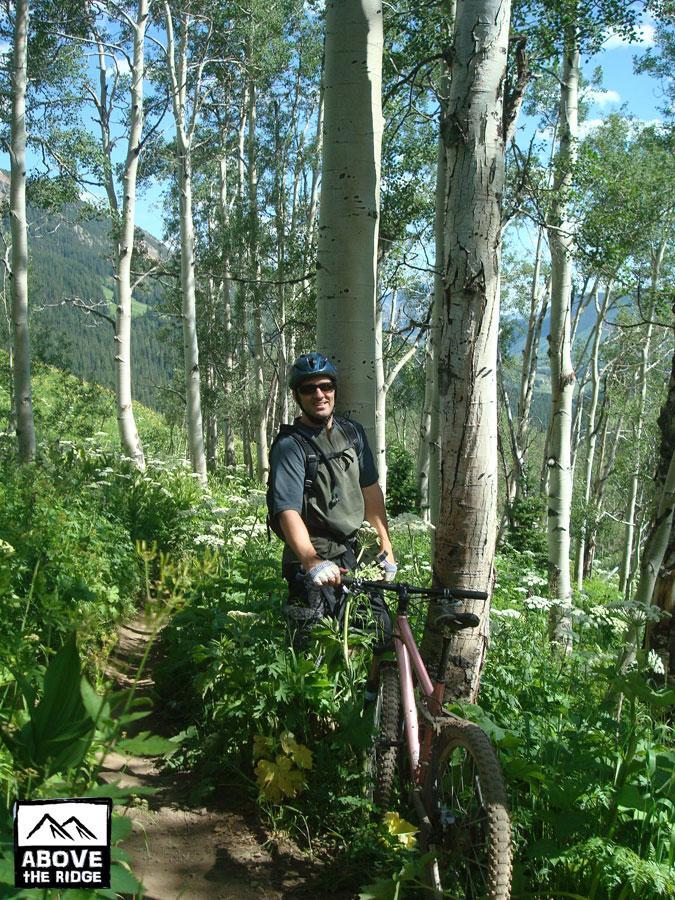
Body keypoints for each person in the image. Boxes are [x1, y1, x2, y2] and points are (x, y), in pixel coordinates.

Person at [268, 352, 396, 650]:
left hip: (357, 554)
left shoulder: (352, 433)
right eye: (308, 389)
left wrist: (385, 547)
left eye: (325, 386)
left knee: (381, 637)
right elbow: (286, 510)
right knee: (315, 650)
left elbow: (371, 491)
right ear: (296, 395)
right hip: (314, 557)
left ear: (335, 389)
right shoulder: (290, 446)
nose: (319, 394)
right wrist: (311, 561)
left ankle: (377, 697)